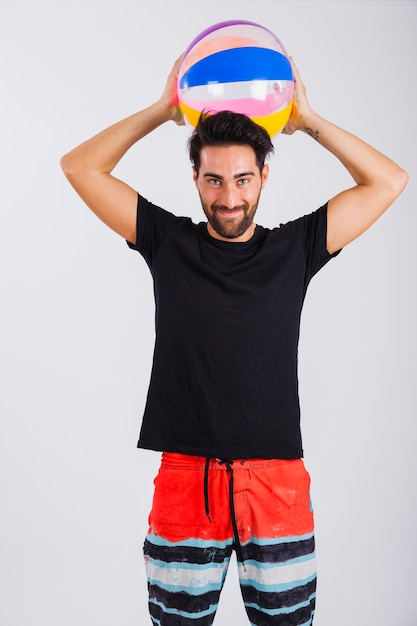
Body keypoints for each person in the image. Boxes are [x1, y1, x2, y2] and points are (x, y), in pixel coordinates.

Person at [60, 55, 408, 626]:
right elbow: (79, 168)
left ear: (264, 177)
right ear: (194, 178)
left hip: (276, 481)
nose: (229, 197)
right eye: (214, 179)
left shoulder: (296, 249)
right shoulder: (166, 242)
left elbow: (389, 180)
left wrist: (308, 120)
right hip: (185, 478)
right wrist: (162, 110)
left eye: (243, 179)